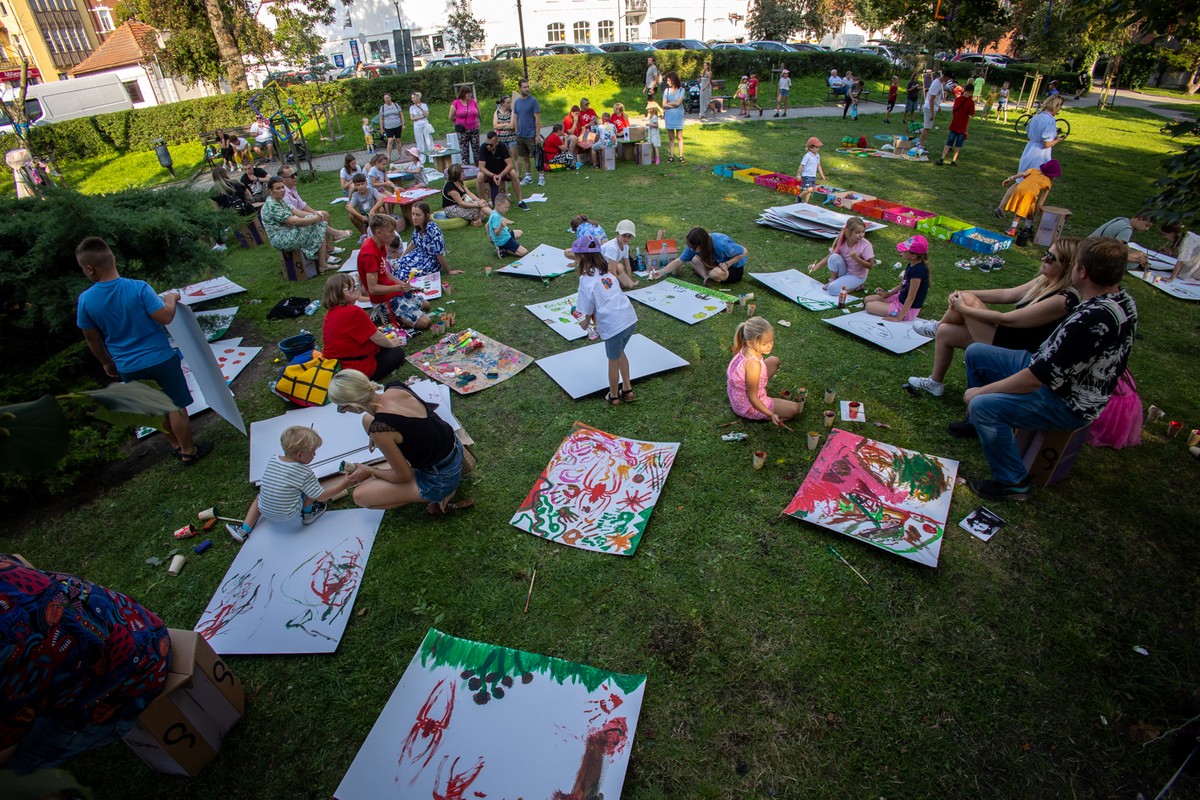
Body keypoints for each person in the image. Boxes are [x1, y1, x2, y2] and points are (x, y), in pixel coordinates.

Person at [954, 236, 1138, 500]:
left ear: (1082, 271)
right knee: (977, 353)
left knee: (984, 405)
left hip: (1067, 402)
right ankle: (979, 427)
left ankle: (1013, 483)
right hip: (1051, 372)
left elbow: (1035, 380)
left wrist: (980, 393)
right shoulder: (1122, 299)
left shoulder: (1090, 320)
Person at [0, 554, 170, 774]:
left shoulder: (11, 652)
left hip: (131, 676)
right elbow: (18, 561)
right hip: (124, 619)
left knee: (10, 773)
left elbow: (6, 742)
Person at [75, 236, 211, 465]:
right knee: (175, 406)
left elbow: (91, 338)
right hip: (161, 359)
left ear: (89, 268)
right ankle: (189, 451)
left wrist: (106, 362)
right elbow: (165, 317)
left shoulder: (86, 300)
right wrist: (170, 298)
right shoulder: (138, 288)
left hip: (128, 366)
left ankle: (175, 446)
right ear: (113, 259)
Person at [905, 237, 1083, 397]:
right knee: (946, 331)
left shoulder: (1063, 299)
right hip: (1005, 336)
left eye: (1051, 258)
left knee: (967, 302)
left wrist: (964, 307)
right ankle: (935, 383)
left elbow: (1008, 319)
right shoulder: (1045, 280)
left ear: (1067, 266)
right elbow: (1007, 294)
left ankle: (936, 327)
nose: (1044, 259)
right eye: (1046, 253)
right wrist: (963, 293)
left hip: (1014, 351)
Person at [329, 370, 473, 514]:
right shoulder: (394, 387)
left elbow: (404, 477)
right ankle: (442, 483)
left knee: (360, 496)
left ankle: (443, 494)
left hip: (439, 479)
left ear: (354, 404)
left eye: (342, 407)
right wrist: (379, 436)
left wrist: (371, 471)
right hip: (454, 450)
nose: (342, 411)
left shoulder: (381, 429)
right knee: (367, 419)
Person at [225, 425, 357, 542]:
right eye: (313, 451)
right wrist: (343, 485)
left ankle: (243, 530)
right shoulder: (304, 472)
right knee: (310, 490)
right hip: (288, 513)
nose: (315, 454)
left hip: (264, 509)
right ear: (299, 455)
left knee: (259, 497)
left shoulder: (273, 459)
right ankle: (308, 514)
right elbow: (320, 496)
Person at [573, 235, 638, 406]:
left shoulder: (585, 279)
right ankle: (628, 390)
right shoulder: (608, 273)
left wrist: (584, 323)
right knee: (620, 353)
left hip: (614, 325)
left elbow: (587, 307)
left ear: (582, 257)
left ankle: (614, 396)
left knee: (613, 362)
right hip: (629, 319)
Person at [726, 317, 801, 427]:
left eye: (771, 340)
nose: (770, 345)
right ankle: (763, 415)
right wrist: (771, 414)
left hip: (737, 394)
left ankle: (766, 402)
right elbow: (753, 398)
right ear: (750, 343)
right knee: (796, 409)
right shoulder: (753, 365)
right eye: (764, 344)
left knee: (774, 361)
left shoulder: (745, 346)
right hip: (747, 405)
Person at [262, 176, 337, 271]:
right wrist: (314, 218)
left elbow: (296, 212)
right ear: (270, 191)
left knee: (316, 223)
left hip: (289, 233)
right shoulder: (272, 205)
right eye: (278, 188)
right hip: (281, 240)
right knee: (314, 223)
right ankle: (335, 236)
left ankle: (323, 264)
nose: (282, 190)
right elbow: (294, 221)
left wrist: (315, 215)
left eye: (282, 187)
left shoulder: (280, 200)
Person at [865, 235, 929, 322]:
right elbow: (903, 284)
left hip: (907, 309)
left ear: (913, 256)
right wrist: (888, 293)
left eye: (904, 250)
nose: (901, 251)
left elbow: (911, 297)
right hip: (900, 298)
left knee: (869, 306)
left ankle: (898, 312)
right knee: (867, 300)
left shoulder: (918, 271)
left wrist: (899, 318)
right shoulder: (912, 264)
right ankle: (890, 304)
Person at [656, 227, 747, 285]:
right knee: (692, 259)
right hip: (714, 263)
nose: (692, 249)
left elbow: (744, 251)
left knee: (715, 274)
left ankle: (712, 276)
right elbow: (679, 261)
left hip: (733, 268)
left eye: (694, 247)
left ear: (702, 244)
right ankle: (706, 278)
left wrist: (728, 263)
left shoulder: (721, 245)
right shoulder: (693, 246)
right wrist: (660, 273)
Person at [807, 217, 874, 296]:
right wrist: (816, 267)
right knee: (834, 257)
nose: (861, 235)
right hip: (845, 271)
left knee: (832, 289)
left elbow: (870, 266)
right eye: (857, 232)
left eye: (863, 232)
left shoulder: (866, 245)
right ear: (848, 232)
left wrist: (856, 258)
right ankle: (835, 279)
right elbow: (830, 256)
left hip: (857, 276)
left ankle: (855, 286)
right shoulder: (843, 241)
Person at [996, 159, 1060, 236]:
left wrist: (1010, 179)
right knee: (1020, 211)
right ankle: (1013, 229)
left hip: (1019, 189)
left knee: (1030, 210)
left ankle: (1028, 228)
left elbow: (1022, 174)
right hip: (1030, 194)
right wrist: (1038, 211)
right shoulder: (1048, 183)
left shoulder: (1034, 170)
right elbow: (1040, 202)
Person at [395, 202, 448, 278]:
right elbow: (413, 244)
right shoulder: (419, 226)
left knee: (404, 274)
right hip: (418, 255)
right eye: (413, 214)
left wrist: (448, 271)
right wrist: (401, 257)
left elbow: (439, 254)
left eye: (418, 215)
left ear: (426, 216)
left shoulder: (433, 230)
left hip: (430, 261)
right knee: (396, 264)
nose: (414, 217)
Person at [476, 129, 527, 210]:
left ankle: (520, 201)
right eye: (487, 144)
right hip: (489, 173)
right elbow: (481, 167)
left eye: (491, 145)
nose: (488, 146)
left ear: (497, 142)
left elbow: (510, 164)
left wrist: (501, 175)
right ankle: (483, 203)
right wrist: (492, 175)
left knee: (513, 173)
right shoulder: (483, 147)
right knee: (480, 176)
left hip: (502, 171)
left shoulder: (502, 146)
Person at [1017, 95, 1066, 174]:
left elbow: (1029, 136)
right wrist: (1058, 140)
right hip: (1039, 154)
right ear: (1056, 106)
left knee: (1023, 176)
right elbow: (1047, 144)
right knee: (1036, 177)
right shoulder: (1050, 120)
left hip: (1029, 150)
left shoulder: (1035, 117)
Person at [513, 79, 543, 186]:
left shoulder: (533, 101)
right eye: (524, 87)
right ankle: (528, 177)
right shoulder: (517, 102)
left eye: (528, 87)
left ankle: (541, 177)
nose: (527, 89)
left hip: (531, 134)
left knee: (537, 156)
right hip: (520, 135)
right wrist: (516, 131)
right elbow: (516, 117)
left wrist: (537, 135)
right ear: (520, 88)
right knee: (525, 157)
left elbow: (537, 118)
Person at [937, 83, 976, 166]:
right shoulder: (970, 102)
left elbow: (954, 110)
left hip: (954, 124)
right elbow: (972, 114)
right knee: (958, 145)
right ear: (971, 92)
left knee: (948, 143)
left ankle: (942, 158)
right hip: (963, 126)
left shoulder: (958, 99)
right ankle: (953, 161)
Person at [602, 219, 639, 289]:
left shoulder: (626, 246)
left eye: (629, 236)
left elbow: (627, 265)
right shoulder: (612, 247)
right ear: (618, 234)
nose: (626, 239)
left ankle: (612, 285)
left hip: (607, 267)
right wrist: (616, 288)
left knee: (630, 285)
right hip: (598, 269)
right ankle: (611, 286)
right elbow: (613, 270)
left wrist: (630, 280)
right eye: (624, 235)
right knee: (619, 267)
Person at [918, 69, 949, 152]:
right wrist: (932, 113)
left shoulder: (940, 83)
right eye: (948, 78)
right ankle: (920, 145)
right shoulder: (937, 84)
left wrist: (938, 106)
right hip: (929, 108)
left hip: (932, 107)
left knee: (927, 127)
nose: (948, 80)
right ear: (944, 76)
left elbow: (936, 98)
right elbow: (931, 99)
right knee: (927, 127)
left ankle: (920, 143)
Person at [449, 86, 481, 166]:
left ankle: (478, 166)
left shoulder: (473, 102)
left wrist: (478, 121)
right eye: (468, 93)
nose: (470, 95)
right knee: (464, 150)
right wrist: (456, 122)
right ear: (463, 93)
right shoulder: (456, 103)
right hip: (462, 130)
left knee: (476, 149)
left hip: (474, 129)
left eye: (470, 93)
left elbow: (478, 113)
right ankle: (467, 167)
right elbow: (451, 116)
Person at [662, 72, 685, 162]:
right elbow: (664, 104)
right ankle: (671, 156)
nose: (667, 82)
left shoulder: (681, 90)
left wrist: (669, 103)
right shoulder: (666, 91)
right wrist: (673, 104)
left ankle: (681, 156)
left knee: (679, 136)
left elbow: (678, 103)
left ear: (673, 80)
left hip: (678, 116)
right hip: (669, 116)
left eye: (668, 80)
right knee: (671, 137)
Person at [797, 136, 826, 204]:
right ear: (810, 148)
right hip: (806, 175)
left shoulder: (817, 155)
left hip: (813, 175)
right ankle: (800, 196)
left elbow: (818, 165)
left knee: (809, 191)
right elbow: (802, 165)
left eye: (818, 147)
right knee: (809, 189)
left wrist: (822, 175)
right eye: (816, 147)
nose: (818, 149)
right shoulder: (807, 156)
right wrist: (798, 174)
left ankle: (806, 203)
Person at [379, 93, 405, 163]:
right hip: (388, 127)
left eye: (388, 98)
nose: (386, 99)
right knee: (390, 141)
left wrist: (403, 124)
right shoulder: (383, 107)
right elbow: (381, 118)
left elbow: (401, 115)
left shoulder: (396, 105)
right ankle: (389, 156)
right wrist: (381, 128)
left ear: (390, 98)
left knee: (398, 140)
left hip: (397, 125)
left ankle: (400, 155)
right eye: (385, 98)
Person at [409, 92, 435, 161]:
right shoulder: (411, 107)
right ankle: (422, 158)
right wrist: (420, 117)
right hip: (417, 125)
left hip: (425, 124)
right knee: (419, 141)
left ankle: (432, 157)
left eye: (414, 98)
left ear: (418, 98)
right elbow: (412, 118)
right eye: (412, 98)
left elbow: (426, 115)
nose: (413, 99)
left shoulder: (424, 105)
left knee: (429, 140)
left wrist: (420, 108)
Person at [645, 100, 663, 165]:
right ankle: (653, 157)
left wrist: (649, 125)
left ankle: (657, 158)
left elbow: (656, 125)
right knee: (652, 145)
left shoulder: (654, 117)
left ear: (652, 109)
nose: (648, 110)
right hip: (651, 133)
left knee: (655, 146)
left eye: (649, 109)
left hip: (654, 134)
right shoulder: (651, 116)